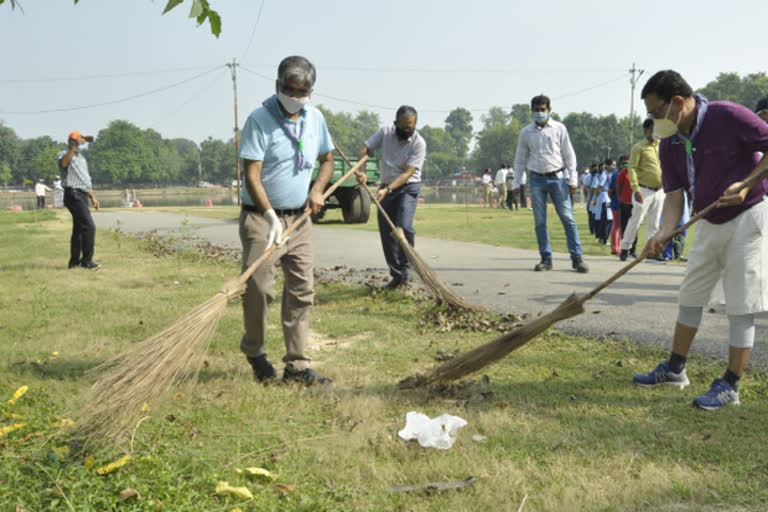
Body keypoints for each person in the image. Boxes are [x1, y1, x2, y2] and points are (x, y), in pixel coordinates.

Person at [633, 70, 768, 410]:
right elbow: (675, 195)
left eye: (655, 112)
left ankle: (730, 385)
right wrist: (663, 232)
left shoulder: (728, 115)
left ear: (678, 103)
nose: (654, 120)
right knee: (690, 294)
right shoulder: (671, 143)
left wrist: (747, 183)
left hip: (748, 218)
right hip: (707, 221)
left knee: (741, 304)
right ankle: (676, 369)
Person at [238, 55, 335, 386]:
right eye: (289, 89)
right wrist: (269, 215)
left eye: (302, 90)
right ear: (278, 86)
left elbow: (327, 160)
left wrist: (318, 190)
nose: (295, 95)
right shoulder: (259, 120)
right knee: (258, 288)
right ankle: (254, 351)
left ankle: (297, 365)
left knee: (302, 289)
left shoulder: (315, 118)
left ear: (310, 90)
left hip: (300, 218)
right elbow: (251, 174)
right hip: (262, 219)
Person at [513, 94, 588, 273]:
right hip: (536, 179)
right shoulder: (526, 132)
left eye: (543, 110)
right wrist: (517, 183)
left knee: (568, 218)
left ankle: (577, 258)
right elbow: (520, 160)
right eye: (536, 110)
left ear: (549, 110)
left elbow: (569, 155)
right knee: (540, 221)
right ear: (532, 111)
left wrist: (573, 178)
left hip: (558, 178)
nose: (539, 113)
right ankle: (546, 258)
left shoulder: (559, 128)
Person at [358, 105, 426, 289]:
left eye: (411, 126)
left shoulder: (419, 143)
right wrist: (362, 171)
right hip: (386, 186)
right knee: (387, 231)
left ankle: (406, 269)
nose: (407, 130)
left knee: (403, 227)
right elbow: (366, 149)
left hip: (408, 188)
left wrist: (387, 190)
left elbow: (407, 174)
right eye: (403, 126)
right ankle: (396, 276)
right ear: (396, 123)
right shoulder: (385, 132)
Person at [620, 118, 665, 261]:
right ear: (646, 130)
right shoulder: (638, 147)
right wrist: (636, 189)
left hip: (659, 191)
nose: (655, 133)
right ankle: (625, 248)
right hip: (643, 190)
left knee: (654, 223)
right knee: (636, 220)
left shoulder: (661, 146)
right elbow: (632, 168)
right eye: (653, 129)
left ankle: (652, 252)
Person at [57, 131, 100, 270]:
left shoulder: (82, 159)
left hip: (82, 194)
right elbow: (64, 163)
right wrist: (72, 147)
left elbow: (85, 179)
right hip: (73, 194)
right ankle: (87, 261)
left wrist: (92, 197)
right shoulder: (64, 154)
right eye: (81, 140)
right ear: (72, 141)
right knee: (89, 226)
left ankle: (74, 262)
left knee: (79, 229)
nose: (83, 142)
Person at [615, 156, 637, 257]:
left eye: (628, 162)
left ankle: (633, 250)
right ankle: (625, 250)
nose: (626, 164)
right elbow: (618, 187)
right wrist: (621, 198)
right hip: (625, 203)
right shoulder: (624, 172)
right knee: (625, 227)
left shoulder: (638, 171)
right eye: (624, 163)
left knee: (635, 227)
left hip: (636, 203)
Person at [607, 158, 623, 255]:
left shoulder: (617, 174)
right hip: (618, 204)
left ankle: (618, 246)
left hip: (620, 203)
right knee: (617, 226)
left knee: (619, 226)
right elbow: (610, 190)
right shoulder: (617, 175)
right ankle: (615, 248)